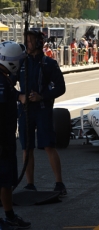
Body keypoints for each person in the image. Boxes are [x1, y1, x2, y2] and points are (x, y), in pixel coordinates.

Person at [16, 31, 67, 196]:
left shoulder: (49, 64)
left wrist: (42, 97)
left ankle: (59, 183)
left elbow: (61, 88)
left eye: (29, 41)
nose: (27, 44)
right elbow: (8, 83)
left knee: (48, 146)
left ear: (38, 43)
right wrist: (20, 96)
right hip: (25, 111)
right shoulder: (20, 62)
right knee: (26, 148)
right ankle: (30, 184)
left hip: (43, 110)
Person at [0, 41, 31, 229]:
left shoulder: (5, 80)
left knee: (6, 180)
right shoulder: (3, 83)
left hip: (5, 139)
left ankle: (9, 216)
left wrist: (19, 95)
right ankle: (9, 217)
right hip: (3, 141)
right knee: (4, 181)